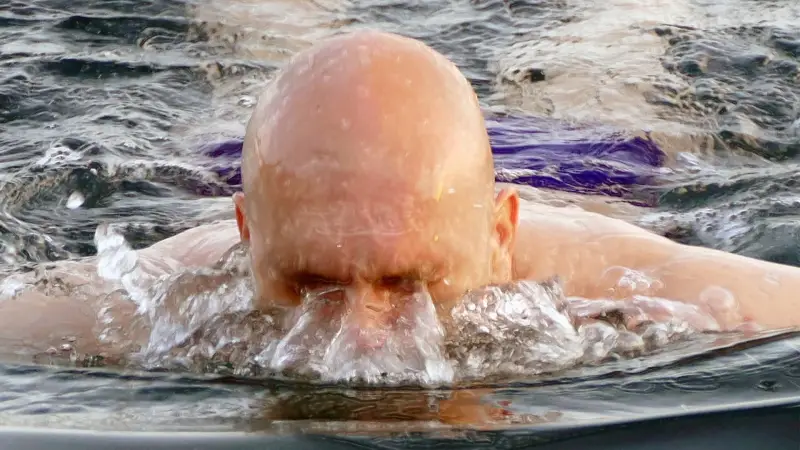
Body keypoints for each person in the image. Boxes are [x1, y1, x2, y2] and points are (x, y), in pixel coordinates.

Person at [0, 30, 798, 362]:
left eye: (410, 282)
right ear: (246, 234)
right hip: (299, 152)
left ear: (501, 234)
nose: (361, 345)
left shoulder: (627, 282)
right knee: (258, 32)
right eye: (309, 284)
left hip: (585, 164)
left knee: (615, 44)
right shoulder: (156, 293)